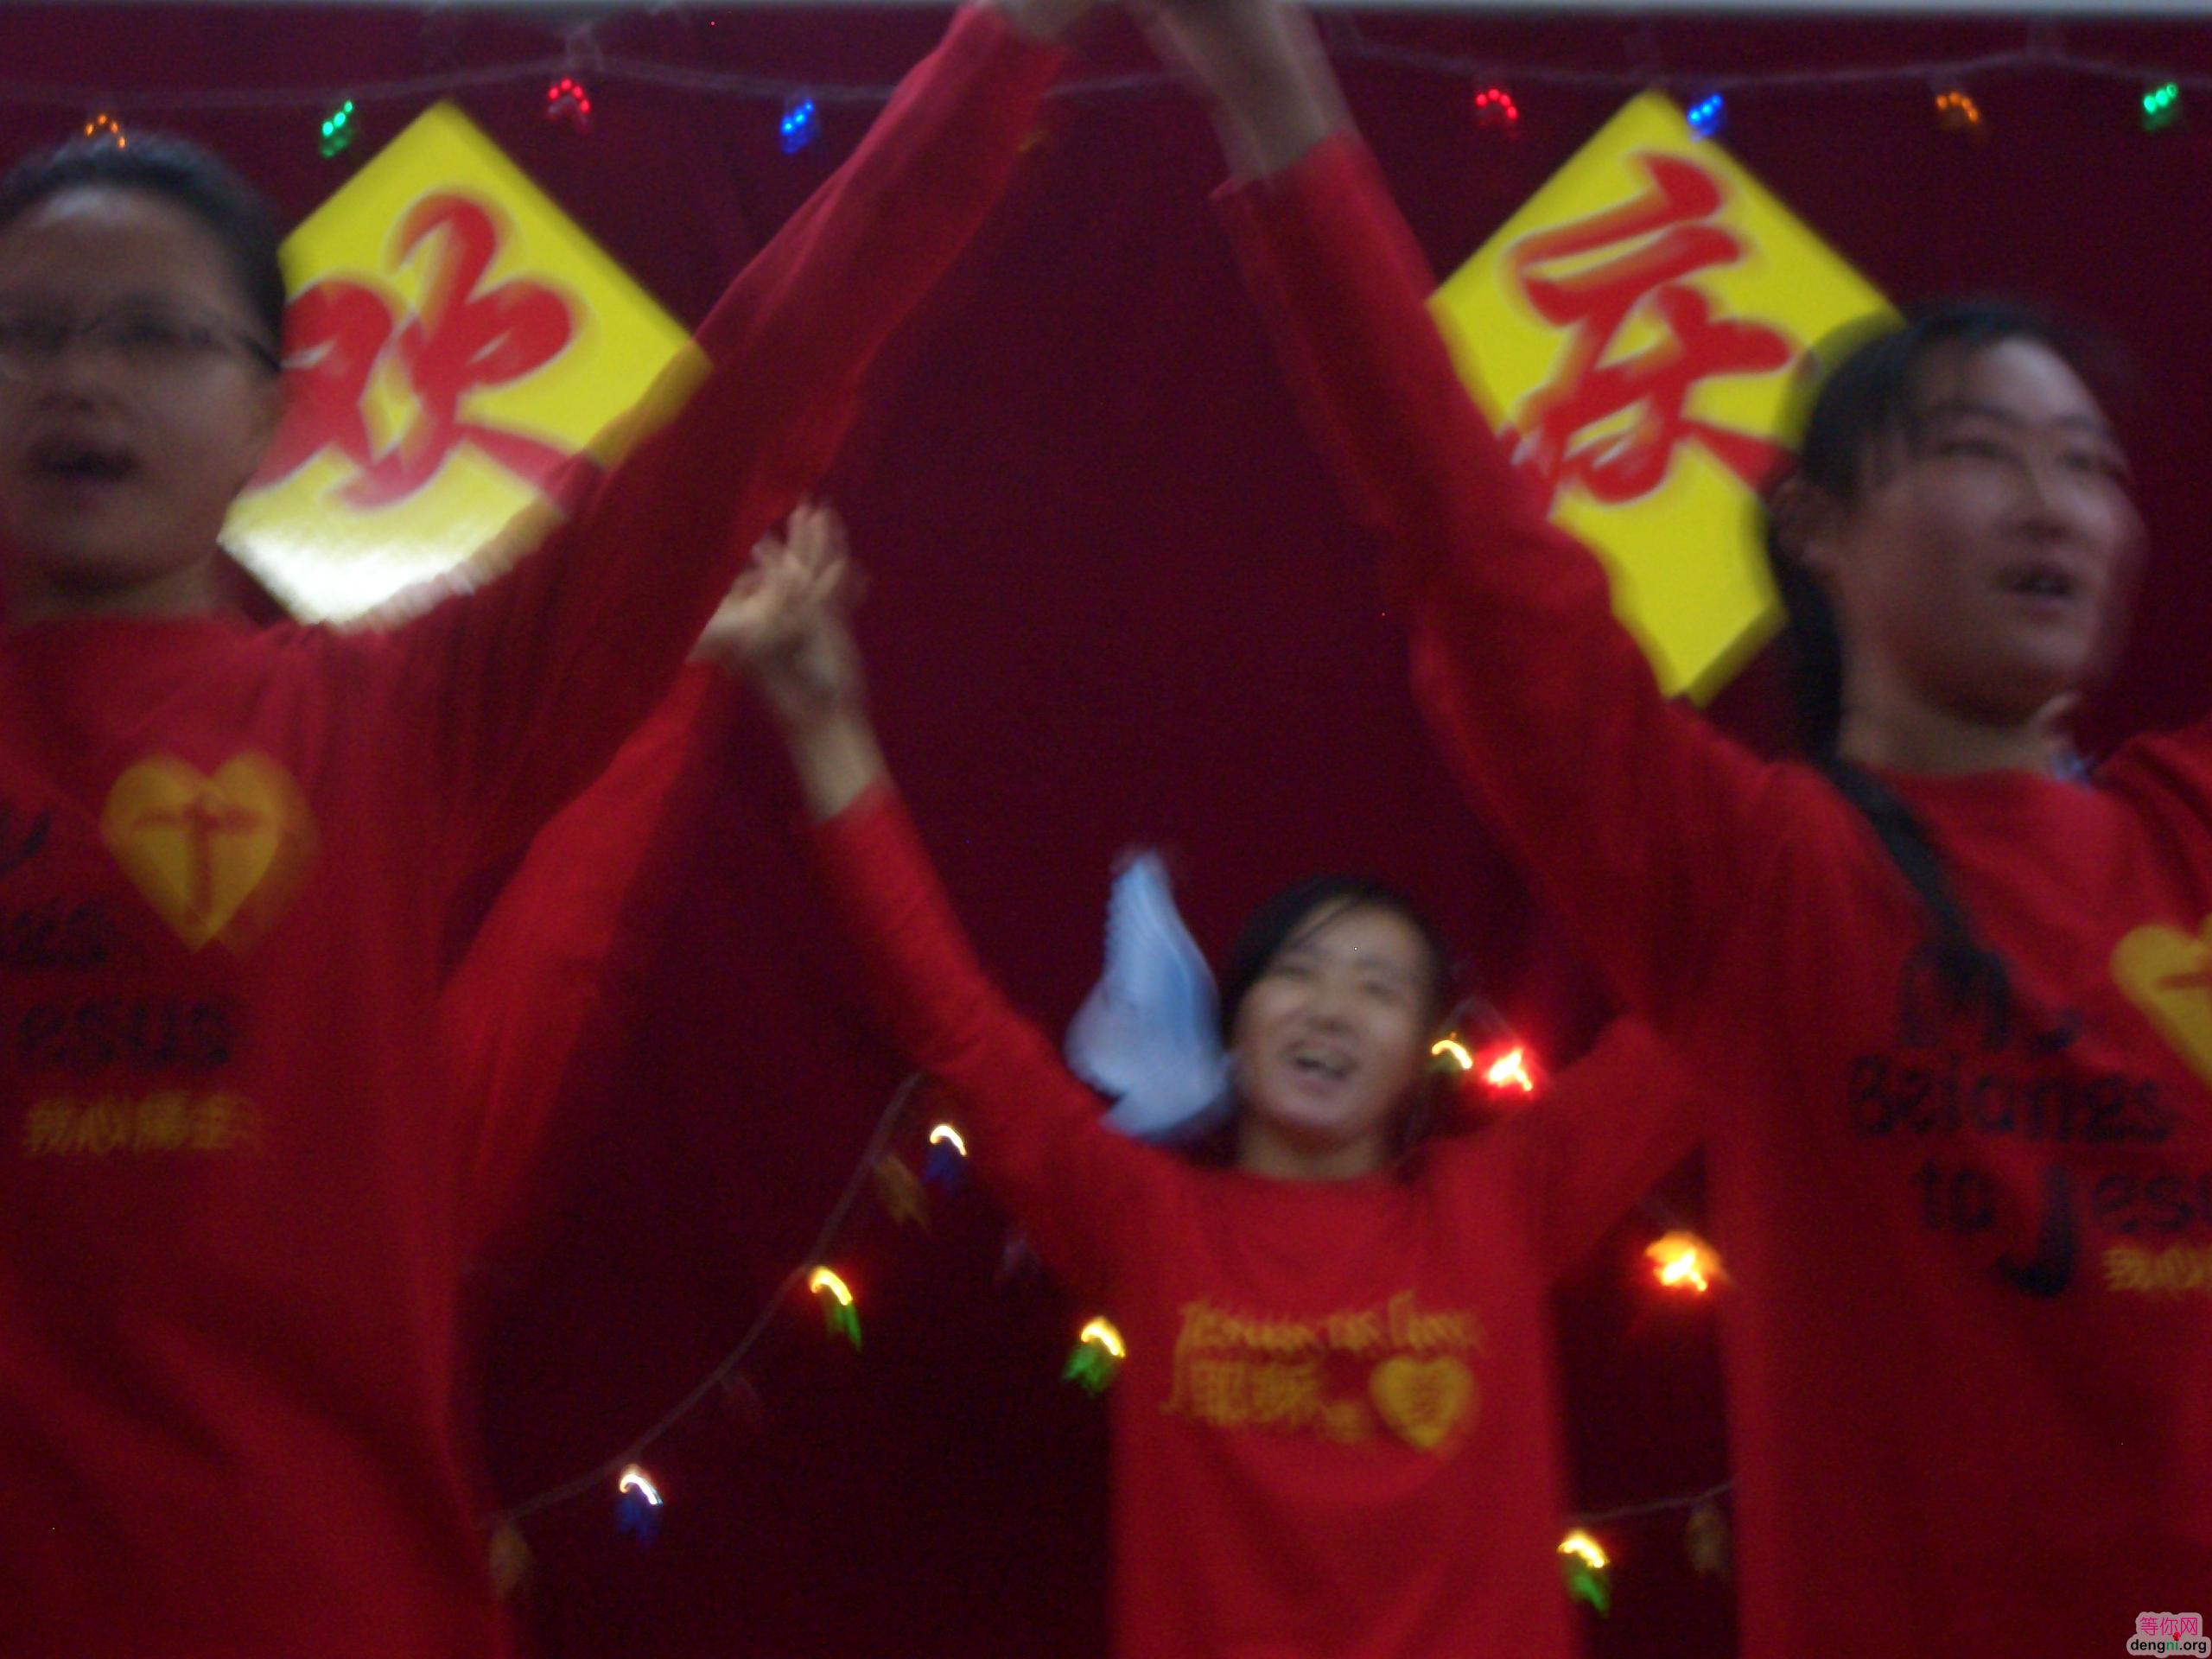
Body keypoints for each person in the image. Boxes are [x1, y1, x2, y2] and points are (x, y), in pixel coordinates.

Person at [0, 3, 1090, 1649]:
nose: (81, 378)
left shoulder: (389, 724)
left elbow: (748, 397)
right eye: (26, 332)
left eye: (153, 335)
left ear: (270, 410)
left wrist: (1005, 45)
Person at [1144, 0, 2212, 1650]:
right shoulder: (1759, 881)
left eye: (2092, 467)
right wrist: (1271, 88)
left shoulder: (2186, 834)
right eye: (1981, 452)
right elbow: (1473, 552)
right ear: (1817, 527)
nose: (2055, 502)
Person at [709, 503, 1698, 1658]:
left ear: (1424, 1051)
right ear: (1234, 1035)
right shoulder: (1146, 1222)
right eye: (1298, 974)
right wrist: (826, 725)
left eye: (1379, 988)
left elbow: (1720, 996)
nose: (1331, 1007)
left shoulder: (1505, 1200)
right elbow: (955, 1023)